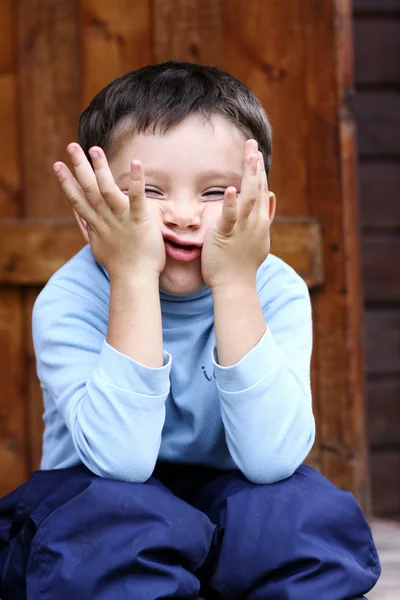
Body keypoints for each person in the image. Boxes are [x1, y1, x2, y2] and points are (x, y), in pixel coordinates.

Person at [0, 61, 380, 600]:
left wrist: (235, 283)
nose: (182, 215)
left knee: (303, 517)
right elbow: (121, 463)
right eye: (149, 191)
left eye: (213, 192)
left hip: (234, 497)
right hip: (100, 500)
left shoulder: (276, 290)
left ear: (260, 211)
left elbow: (272, 460)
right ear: (91, 214)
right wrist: (132, 274)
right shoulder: (72, 298)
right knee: (110, 532)